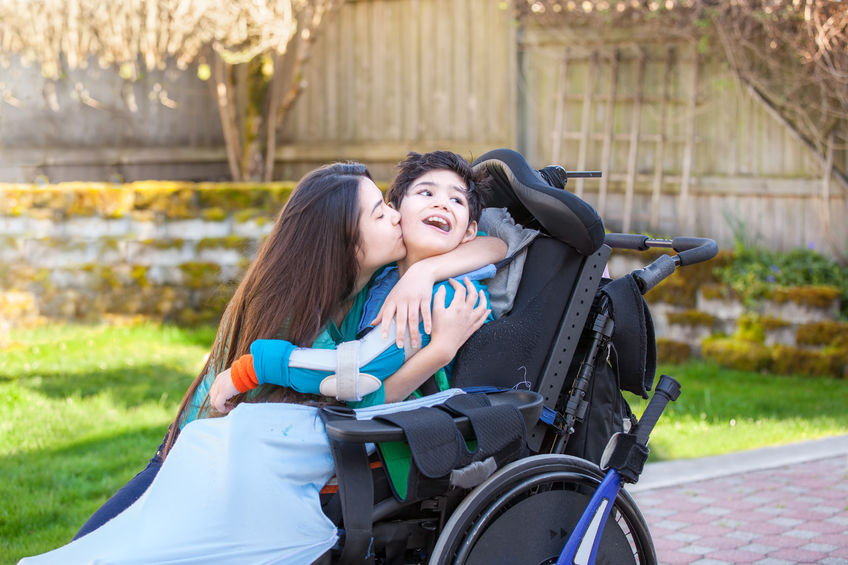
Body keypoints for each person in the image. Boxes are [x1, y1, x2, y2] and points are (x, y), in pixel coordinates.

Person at [70, 159, 506, 540]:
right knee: (100, 548)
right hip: (204, 459)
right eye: (381, 212)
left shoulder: (390, 282)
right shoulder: (298, 312)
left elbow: (494, 244)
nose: (395, 217)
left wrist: (425, 273)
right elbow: (356, 387)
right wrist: (437, 347)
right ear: (344, 240)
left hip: (256, 467)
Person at [207, 150, 495, 412]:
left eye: (456, 199)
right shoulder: (380, 280)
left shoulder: (449, 295)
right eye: (426, 193)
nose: (442, 204)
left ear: (469, 231)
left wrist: (261, 364)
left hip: (408, 437)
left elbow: (356, 374)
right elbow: (353, 395)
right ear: (398, 210)